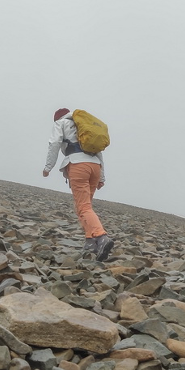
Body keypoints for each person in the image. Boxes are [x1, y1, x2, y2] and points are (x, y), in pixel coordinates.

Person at [43, 108, 114, 261]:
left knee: (84, 207)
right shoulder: (82, 125)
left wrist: (48, 167)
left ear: (57, 118)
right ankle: (90, 241)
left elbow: (54, 144)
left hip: (78, 164)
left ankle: (101, 237)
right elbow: (98, 152)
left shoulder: (60, 123)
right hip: (95, 166)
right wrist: (101, 177)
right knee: (84, 205)